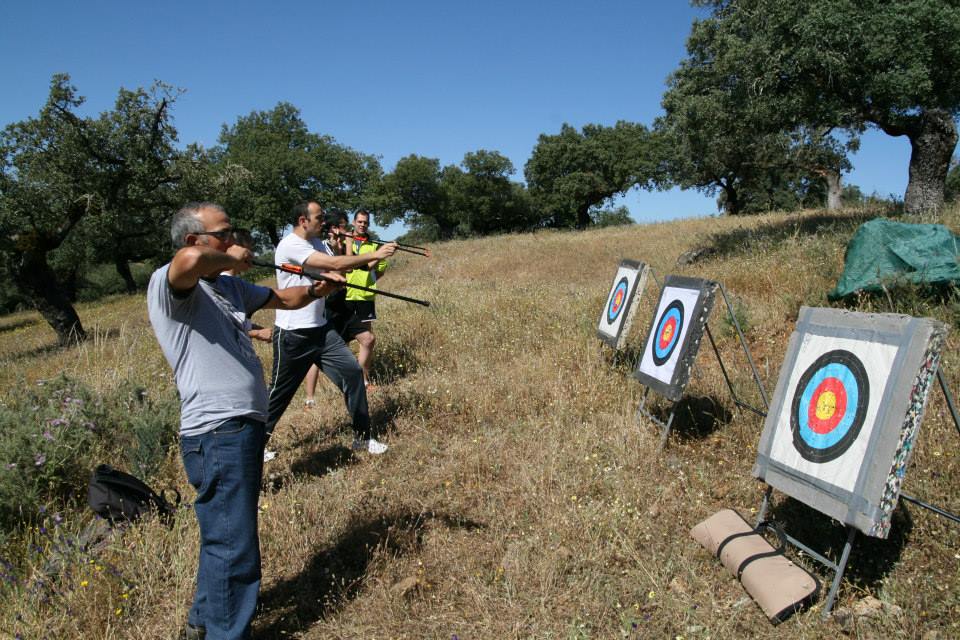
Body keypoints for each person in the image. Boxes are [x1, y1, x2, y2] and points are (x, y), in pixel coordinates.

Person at [146, 202, 342, 640]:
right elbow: (189, 261)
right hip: (218, 429)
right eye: (225, 234)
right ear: (195, 238)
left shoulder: (229, 288)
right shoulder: (172, 284)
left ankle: (203, 621)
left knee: (225, 534)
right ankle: (225, 632)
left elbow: (283, 299)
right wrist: (229, 257)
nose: (235, 241)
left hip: (239, 427)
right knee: (235, 544)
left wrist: (318, 289)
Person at [266, 201, 397, 456]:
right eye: (319, 217)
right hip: (293, 333)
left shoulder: (317, 242)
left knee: (353, 374)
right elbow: (334, 264)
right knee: (279, 395)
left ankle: (363, 437)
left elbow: (336, 266)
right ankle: (256, 446)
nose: (323, 221)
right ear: (303, 221)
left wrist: (334, 276)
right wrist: (375, 254)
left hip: (321, 329)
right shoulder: (291, 244)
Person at [302, 210, 368, 406]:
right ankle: (309, 398)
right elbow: (340, 269)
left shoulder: (337, 246)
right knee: (318, 353)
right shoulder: (321, 248)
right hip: (327, 304)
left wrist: (343, 246)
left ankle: (359, 382)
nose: (347, 230)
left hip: (342, 301)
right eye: (343, 226)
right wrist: (344, 245)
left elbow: (347, 271)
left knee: (367, 338)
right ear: (333, 228)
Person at [344, 209, 387, 389]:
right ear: (354, 222)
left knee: (366, 339)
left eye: (365, 222)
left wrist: (368, 280)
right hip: (345, 295)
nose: (362, 225)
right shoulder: (344, 241)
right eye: (360, 221)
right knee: (343, 339)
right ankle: (346, 378)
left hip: (365, 296)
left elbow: (381, 269)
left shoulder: (374, 245)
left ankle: (364, 380)